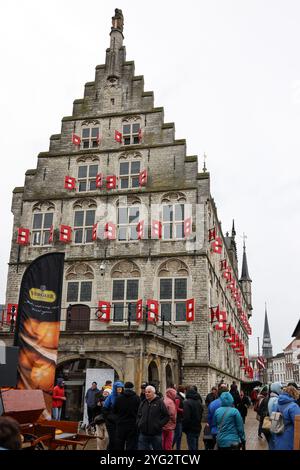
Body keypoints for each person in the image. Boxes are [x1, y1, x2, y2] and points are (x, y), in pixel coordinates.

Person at [137, 385, 169, 450]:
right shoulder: (143, 402)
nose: (146, 393)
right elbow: (139, 415)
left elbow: (166, 416)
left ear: (153, 393)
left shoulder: (160, 402)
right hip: (143, 433)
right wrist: (139, 423)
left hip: (156, 434)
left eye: (149, 392)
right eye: (146, 392)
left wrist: (159, 425)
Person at [271, 385, 300, 451]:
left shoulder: (276, 404)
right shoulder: (293, 406)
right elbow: (298, 424)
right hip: (289, 439)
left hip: (277, 436)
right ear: (294, 394)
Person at [113, 381, 140, 450]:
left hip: (120, 424)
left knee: (119, 444)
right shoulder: (137, 398)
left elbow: (114, 411)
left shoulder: (119, 398)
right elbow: (139, 412)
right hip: (132, 424)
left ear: (124, 388)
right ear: (132, 388)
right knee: (131, 445)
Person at [102, 381, 124, 450]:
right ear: (115, 388)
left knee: (120, 440)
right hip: (111, 422)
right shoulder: (111, 396)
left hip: (120, 422)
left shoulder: (124, 396)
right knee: (113, 439)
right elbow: (105, 409)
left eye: (121, 388)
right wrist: (109, 417)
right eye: (118, 388)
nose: (119, 390)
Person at [207, 384, 228, 448]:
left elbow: (209, 418)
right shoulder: (229, 404)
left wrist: (211, 426)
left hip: (214, 431)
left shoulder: (212, 404)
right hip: (226, 432)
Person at [182, 386, 203, 450]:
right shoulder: (199, 402)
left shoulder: (187, 403)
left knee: (191, 447)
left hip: (190, 428)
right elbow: (201, 414)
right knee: (196, 446)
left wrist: (184, 428)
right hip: (198, 427)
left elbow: (186, 417)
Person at [172, 385, 185, 450]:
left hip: (180, 418)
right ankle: (170, 446)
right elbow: (176, 408)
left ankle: (178, 448)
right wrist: (183, 410)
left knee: (179, 435)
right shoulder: (178, 398)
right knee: (177, 434)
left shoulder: (181, 397)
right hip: (177, 419)